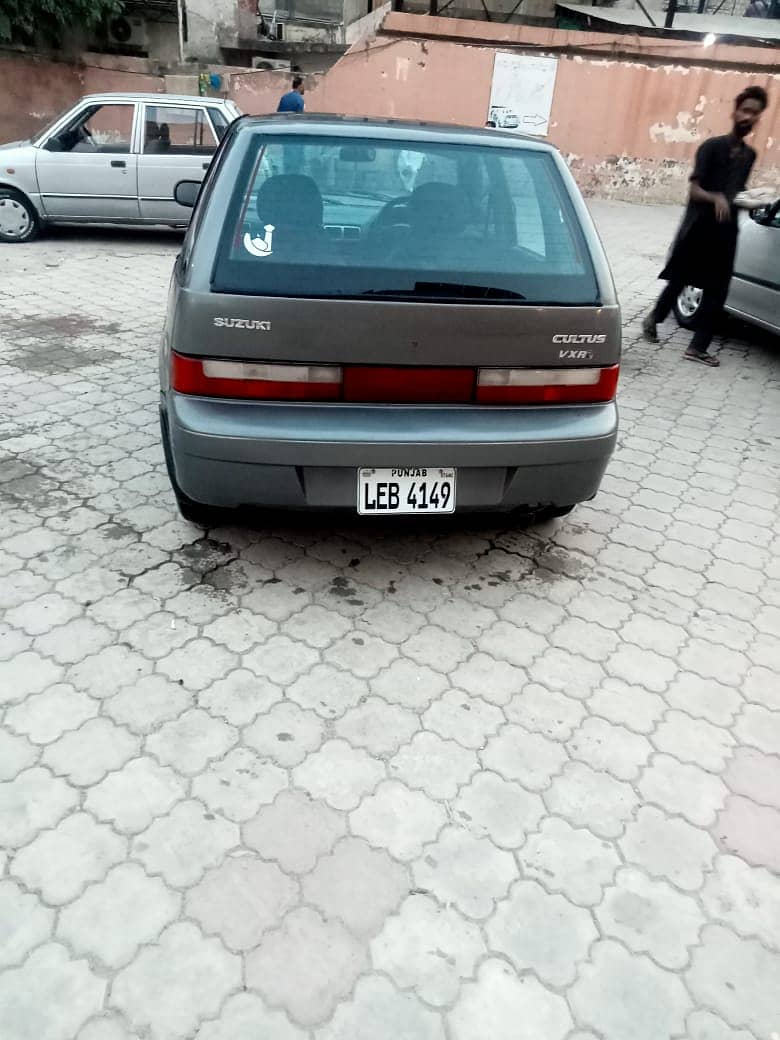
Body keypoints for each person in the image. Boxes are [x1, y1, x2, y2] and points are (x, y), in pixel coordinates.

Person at [642, 85, 769, 367]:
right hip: (699, 227)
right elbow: (694, 189)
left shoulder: (749, 156)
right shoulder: (712, 147)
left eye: (755, 114)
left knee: (718, 290)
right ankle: (653, 319)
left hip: (726, 232)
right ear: (735, 111)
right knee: (681, 279)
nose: (749, 117)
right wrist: (716, 199)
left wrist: (749, 199)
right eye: (745, 110)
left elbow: (736, 189)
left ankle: (697, 347)